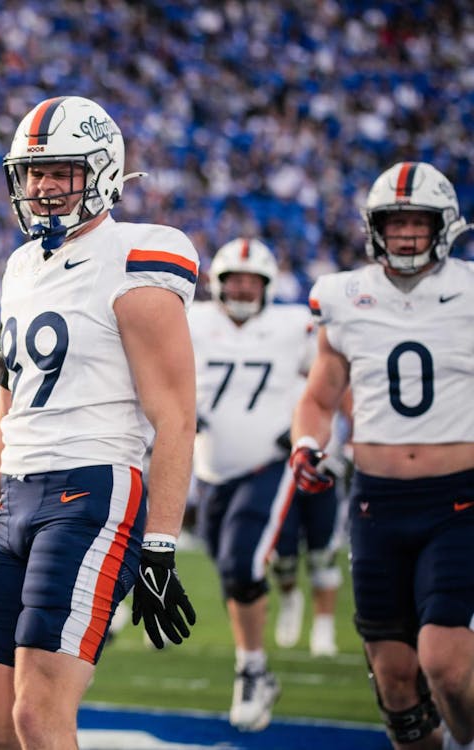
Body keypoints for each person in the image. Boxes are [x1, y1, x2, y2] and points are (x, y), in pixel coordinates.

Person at [0, 96, 198, 750]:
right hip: (16, 496)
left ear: (103, 172)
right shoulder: (22, 266)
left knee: (38, 715)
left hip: (91, 491)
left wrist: (160, 546)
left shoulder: (136, 255)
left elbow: (175, 418)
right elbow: (8, 414)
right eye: (33, 173)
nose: (44, 187)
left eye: (62, 172)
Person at [291, 161, 474, 750]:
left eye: (417, 222)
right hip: (377, 505)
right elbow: (319, 396)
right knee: (396, 681)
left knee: (443, 661)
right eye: (394, 222)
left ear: (443, 226)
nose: (404, 234)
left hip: (458, 500)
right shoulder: (344, 296)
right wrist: (306, 445)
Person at [188, 237, 340, 730]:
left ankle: (251, 669)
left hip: (269, 463)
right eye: (236, 279)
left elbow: (331, 380)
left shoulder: (292, 325)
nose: (245, 288)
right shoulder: (192, 321)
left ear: (269, 285)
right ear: (219, 283)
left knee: (241, 563)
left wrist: (312, 434)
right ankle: (255, 659)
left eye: (254, 280)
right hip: (211, 471)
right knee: (229, 566)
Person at [271, 407, 349, 658]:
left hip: (325, 469)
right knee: (282, 558)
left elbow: (352, 409)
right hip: (282, 470)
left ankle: (323, 629)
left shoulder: (330, 370)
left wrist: (349, 448)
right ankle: (289, 598)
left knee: (322, 555)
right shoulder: (283, 370)